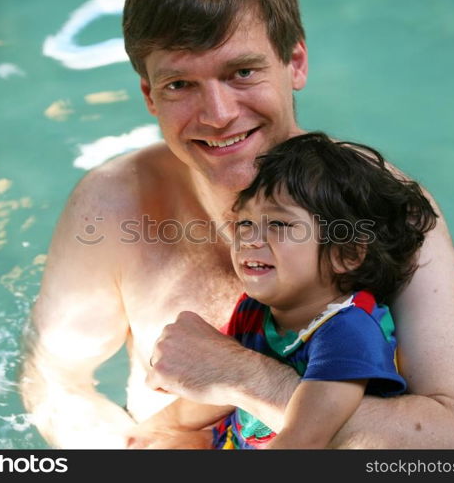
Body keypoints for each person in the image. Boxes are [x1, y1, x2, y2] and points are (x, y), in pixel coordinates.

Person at [20, 0, 454, 448]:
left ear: (294, 62)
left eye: (242, 73)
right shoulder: (113, 207)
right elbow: (57, 382)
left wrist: (241, 375)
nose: (217, 114)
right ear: (149, 95)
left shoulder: (380, 206)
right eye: (180, 84)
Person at [130, 132, 436, 449]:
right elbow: (218, 388)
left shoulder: (348, 330)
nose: (249, 238)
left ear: (345, 254)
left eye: (279, 224)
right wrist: (149, 432)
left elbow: (305, 440)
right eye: (245, 223)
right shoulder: (254, 309)